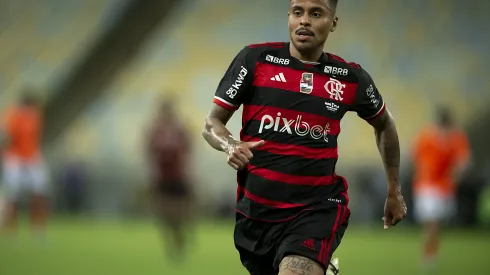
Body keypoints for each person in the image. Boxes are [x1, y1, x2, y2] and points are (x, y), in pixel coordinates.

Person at [202, 1, 407, 274]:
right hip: (256, 215)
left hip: (315, 210)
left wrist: (394, 190)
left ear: (333, 22)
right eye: (298, 12)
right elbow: (212, 123)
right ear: (288, 17)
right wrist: (231, 145)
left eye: (316, 13)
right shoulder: (254, 60)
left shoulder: (349, 78)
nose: (304, 21)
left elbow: (384, 124)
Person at [412, 106, 471, 271]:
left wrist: (456, 174)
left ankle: (430, 254)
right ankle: (428, 256)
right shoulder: (427, 136)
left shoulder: (456, 138)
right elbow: (416, 155)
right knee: (431, 224)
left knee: (436, 224)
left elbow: (463, 161)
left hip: (444, 187)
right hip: (427, 186)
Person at [146, 97, 194, 262]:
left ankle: (181, 234)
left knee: (180, 213)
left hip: (179, 176)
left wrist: (187, 166)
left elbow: (189, 146)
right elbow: (149, 150)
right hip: (162, 178)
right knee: (164, 213)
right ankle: (173, 239)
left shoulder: (179, 129)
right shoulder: (155, 130)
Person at [0, 92, 49, 237]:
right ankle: (11, 227)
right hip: (14, 157)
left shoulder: (36, 117)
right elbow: (7, 137)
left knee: (40, 191)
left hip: (32, 156)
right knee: (13, 193)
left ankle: (38, 227)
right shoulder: (14, 116)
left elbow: (35, 139)